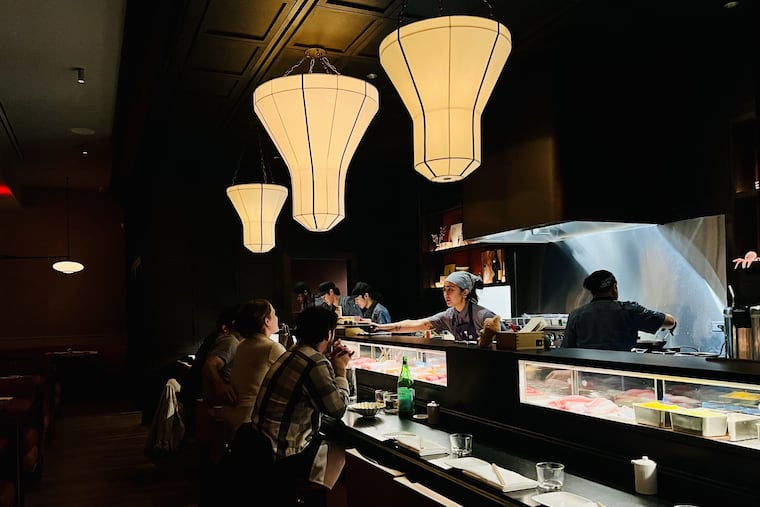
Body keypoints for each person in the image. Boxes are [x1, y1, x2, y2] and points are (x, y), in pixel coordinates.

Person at [251, 305, 353, 503]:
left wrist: (330, 364)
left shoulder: (292, 353)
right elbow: (338, 408)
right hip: (284, 453)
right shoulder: (315, 362)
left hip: (261, 446)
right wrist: (340, 371)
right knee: (347, 456)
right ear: (329, 334)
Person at [562, 269, 677, 351]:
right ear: (614, 288)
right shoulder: (629, 310)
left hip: (586, 375)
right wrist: (673, 325)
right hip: (623, 373)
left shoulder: (575, 315)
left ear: (592, 292)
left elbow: (566, 350)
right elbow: (669, 321)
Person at [373, 271, 506, 340]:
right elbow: (417, 324)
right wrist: (378, 327)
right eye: (444, 289)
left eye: (451, 289)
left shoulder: (483, 315)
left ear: (465, 292)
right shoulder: (449, 316)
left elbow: (508, 341)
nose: (446, 294)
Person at [224, 299, 286, 438]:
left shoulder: (242, 344)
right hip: (253, 421)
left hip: (234, 416)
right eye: (274, 314)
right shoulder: (272, 348)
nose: (277, 317)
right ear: (267, 321)